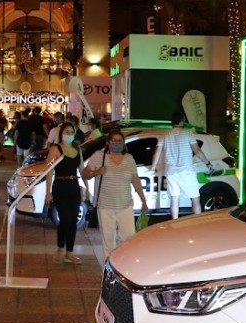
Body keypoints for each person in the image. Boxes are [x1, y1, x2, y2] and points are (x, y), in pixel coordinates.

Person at [82, 129, 148, 258]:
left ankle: (125, 263)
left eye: (120, 141)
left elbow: (135, 180)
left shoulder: (129, 158)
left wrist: (143, 200)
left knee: (128, 238)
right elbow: (84, 174)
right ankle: (109, 264)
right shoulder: (99, 156)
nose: (117, 143)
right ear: (108, 142)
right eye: (114, 141)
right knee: (108, 240)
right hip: (105, 206)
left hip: (125, 205)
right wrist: (96, 172)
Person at [152, 112, 213, 219]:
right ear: (182, 121)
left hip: (171, 172)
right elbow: (197, 151)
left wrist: (153, 168)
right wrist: (207, 163)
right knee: (195, 199)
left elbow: (157, 153)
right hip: (186, 171)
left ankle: (175, 222)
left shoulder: (165, 135)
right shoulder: (188, 134)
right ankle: (197, 221)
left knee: (174, 200)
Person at [45, 121, 84, 264]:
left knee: (73, 220)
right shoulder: (55, 149)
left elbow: (82, 170)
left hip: (74, 185)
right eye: (67, 132)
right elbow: (49, 171)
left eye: (72, 132)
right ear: (61, 133)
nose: (69, 134)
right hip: (60, 186)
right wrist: (47, 192)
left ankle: (70, 252)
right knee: (65, 218)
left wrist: (86, 186)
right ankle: (60, 248)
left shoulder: (77, 149)